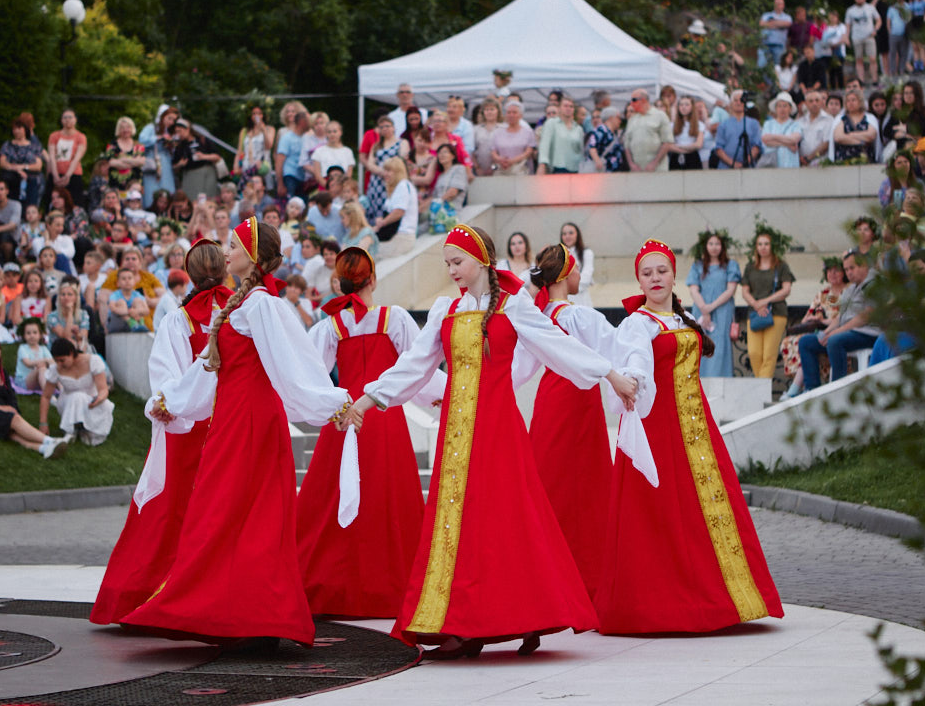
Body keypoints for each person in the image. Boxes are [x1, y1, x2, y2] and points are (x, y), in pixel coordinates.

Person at [344, 224, 637, 658]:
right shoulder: (446, 310)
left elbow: (559, 346)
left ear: (481, 260)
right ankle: (467, 623)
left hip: (498, 431)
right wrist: (367, 400)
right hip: (457, 434)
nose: (452, 271)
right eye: (446, 264)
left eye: (457, 262)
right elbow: (414, 366)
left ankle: (514, 619)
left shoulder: (514, 307)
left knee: (505, 522)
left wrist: (611, 375)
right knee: (463, 525)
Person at [122, 218, 350, 644]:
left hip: (253, 422)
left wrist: (332, 401)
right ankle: (230, 613)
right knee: (222, 515)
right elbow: (210, 373)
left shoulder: (263, 305)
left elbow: (292, 367)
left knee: (250, 518)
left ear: (254, 255)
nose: (225, 251)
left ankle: (261, 618)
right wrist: (172, 400)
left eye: (233, 244)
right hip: (231, 419)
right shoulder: (242, 306)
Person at [597, 239, 783, 633]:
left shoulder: (684, 319)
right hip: (659, 429)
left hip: (696, 426)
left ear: (673, 273)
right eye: (646, 273)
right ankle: (664, 604)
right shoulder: (636, 324)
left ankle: (718, 599)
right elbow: (632, 363)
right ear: (639, 279)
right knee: (660, 514)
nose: (655, 278)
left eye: (661, 271)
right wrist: (630, 382)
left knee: (704, 511)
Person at [90, 239, 233, 626]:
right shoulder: (243, 312)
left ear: (189, 273)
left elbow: (166, 380)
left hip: (188, 429)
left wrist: (169, 406)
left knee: (171, 512)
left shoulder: (178, 320)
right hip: (232, 425)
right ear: (224, 269)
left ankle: (152, 590)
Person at [299, 248, 439, 617]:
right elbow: (416, 367)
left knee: (332, 501)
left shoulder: (329, 326)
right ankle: (393, 589)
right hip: (383, 418)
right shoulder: (396, 318)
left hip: (345, 418)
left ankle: (331, 588)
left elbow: (311, 376)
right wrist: (438, 396)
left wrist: (331, 405)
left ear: (338, 283)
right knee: (387, 499)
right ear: (373, 279)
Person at [519, 244, 618, 599]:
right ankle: (587, 580)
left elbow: (519, 369)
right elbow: (615, 350)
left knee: (550, 485)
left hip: (549, 402)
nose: (579, 276)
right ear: (566, 275)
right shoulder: (580, 316)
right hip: (578, 402)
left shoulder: (540, 316)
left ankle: (547, 578)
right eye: (575, 269)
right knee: (586, 492)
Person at [0, 336, 67, 458]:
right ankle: (50, 441)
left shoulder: (1, 372)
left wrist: (12, 408)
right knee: (13, 421)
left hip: (2, 414)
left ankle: (43, 449)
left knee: (13, 433)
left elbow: (11, 396)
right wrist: (0, 408)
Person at [797, 250, 880, 391]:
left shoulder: (874, 283)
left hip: (868, 333)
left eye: (852, 268)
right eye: (846, 269)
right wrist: (827, 332)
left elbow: (866, 316)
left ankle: (837, 389)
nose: (849, 273)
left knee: (836, 341)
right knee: (806, 342)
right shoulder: (850, 289)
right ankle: (811, 390)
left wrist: (836, 333)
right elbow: (840, 317)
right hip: (848, 331)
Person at [779, 257, 847, 400]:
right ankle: (805, 386)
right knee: (791, 341)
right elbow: (807, 317)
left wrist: (824, 321)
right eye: (829, 271)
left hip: (841, 330)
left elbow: (842, 318)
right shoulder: (825, 294)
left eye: (836, 271)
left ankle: (797, 388)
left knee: (805, 342)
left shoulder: (848, 292)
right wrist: (815, 318)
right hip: (822, 331)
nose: (832, 274)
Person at [685, 231, 741, 377]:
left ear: (722, 246)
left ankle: (720, 378)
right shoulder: (697, 266)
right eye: (711, 243)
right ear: (705, 246)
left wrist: (710, 307)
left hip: (722, 310)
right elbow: (693, 289)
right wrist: (704, 308)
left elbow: (730, 290)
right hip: (700, 309)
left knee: (720, 344)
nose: (714, 247)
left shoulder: (730, 265)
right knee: (701, 342)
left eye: (717, 244)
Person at [740, 229, 795, 380]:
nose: (763, 247)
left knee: (769, 355)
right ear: (756, 247)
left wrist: (765, 301)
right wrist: (756, 304)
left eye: (766, 244)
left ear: (771, 246)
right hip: (755, 313)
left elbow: (786, 289)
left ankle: (760, 391)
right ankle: (761, 388)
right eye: (760, 244)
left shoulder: (781, 266)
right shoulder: (750, 267)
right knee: (754, 353)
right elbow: (745, 291)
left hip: (776, 312)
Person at [40, 337, 113, 446]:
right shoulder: (55, 369)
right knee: (77, 396)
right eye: (56, 361)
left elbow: (103, 389)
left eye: (62, 360)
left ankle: (85, 430)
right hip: (68, 402)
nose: (59, 364)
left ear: (71, 353)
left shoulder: (93, 361)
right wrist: (43, 423)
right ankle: (71, 431)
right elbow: (46, 396)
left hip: (90, 399)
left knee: (105, 405)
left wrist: (98, 399)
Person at [373, 157, 418, 258]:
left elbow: (399, 212)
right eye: (385, 170)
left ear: (398, 172)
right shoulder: (397, 188)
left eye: (389, 171)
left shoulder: (403, 185)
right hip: (395, 236)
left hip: (402, 237)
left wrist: (382, 223)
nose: (385, 174)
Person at [0, 115, 46, 207]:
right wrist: (17, 169)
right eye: (14, 129)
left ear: (25, 129)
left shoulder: (34, 146)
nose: (16, 131)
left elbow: (38, 166)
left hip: (31, 178)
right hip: (12, 178)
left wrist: (24, 167)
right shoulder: (7, 145)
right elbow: (2, 163)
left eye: (19, 128)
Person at [623, 89, 673, 172]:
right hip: (637, 171)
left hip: (657, 169)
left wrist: (654, 163)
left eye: (634, 100)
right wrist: (631, 164)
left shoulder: (660, 116)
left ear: (643, 100)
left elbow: (667, 142)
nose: (631, 103)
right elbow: (627, 145)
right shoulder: (632, 120)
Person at [48, 109, 88, 209]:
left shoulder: (80, 137)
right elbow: (52, 156)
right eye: (65, 117)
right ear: (61, 120)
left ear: (75, 120)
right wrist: (55, 175)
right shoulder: (54, 136)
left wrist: (67, 175)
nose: (67, 120)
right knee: (52, 201)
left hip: (74, 174)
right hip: (56, 173)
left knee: (75, 202)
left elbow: (77, 157)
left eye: (70, 117)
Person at [536, 96, 585, 174]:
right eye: (565, 106)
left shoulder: (578, 129)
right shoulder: (551, 123)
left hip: (575, 168)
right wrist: (542, 163)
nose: (568, 108)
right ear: (559, 108)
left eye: (571, 106)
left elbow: (581, 151)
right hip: (558, 167)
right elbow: (544, 144)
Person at [714, 90, 762, 168]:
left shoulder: (753, 123)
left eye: (741, 100)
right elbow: (719, 148)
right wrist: (733, 163)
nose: (738, 103)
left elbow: (756, 145)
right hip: (726, 168)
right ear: (731, 104)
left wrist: (746, 162)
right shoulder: (723, 125)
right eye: (735, 100)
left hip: (748, 168)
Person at [490, 100, 536, 176]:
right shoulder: (497, 132)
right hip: (501, 170)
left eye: (514, 112)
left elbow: (529, 151)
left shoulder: (528, 132)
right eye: (509, 112)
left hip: (521, 171)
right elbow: (493, 151)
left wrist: (512, 161)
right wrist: (500, 160)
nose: (511, 115)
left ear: (520, 115)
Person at [234, 105, 275, 183]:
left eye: (259, 113)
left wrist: (264, 131)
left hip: (262, 167)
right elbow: (240, 151)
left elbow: (268, 146)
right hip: (247, 166)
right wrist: (236, 166)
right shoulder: (245, 131)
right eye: (254, 113)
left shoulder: (270, 129)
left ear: (263, 115)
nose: (257, 116)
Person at [760, 92, 802, 168]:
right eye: (779, 106)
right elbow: (765, 140)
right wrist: (787, 144)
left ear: (790, 108)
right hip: (772, 164)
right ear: (775, 109)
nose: (782, 109)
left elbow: (794, 139)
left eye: (785, 106)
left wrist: (772, 137)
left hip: (790, 164)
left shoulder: (796, 124)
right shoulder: (768, 124)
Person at [560, 222, 594, 308]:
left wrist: (567, 287)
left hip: (581, 299)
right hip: (563, 300)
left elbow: (587, 276)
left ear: (577, 235)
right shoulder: (558, 254)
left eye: (571, 233)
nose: (567, 236)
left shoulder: (586, 253)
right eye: (564, 234)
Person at [14, 318, 52, 392]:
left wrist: (46, 363)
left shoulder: (43, 348)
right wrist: (44, 361)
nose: (32, 336)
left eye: (35, 333)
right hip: (24, 380)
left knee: (55, 370)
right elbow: (28, 363)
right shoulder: (23, 348)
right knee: (41, 368)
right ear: (24, 336)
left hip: (40, 378)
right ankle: (48, 395)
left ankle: (63, 390)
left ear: (40, 335)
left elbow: (52, 362)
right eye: (28, 333)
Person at [797, 91, 835, 166]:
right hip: (802, 164)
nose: (814, 103)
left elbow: (826, 144)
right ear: (806, 104)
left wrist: (808, 158)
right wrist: (801, 159)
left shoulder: (829, 120)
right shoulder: (800, 121)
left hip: (822, 164)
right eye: (811, 101)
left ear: (821, 103)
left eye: (817, 100)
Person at [758, 0, 792, 68]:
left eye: (780, 4)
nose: (779, 5)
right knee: (761, 66)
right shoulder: (766, 15)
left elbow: (787, 24)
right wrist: (779, 24)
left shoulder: (787, 17)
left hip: (779, 46)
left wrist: (770, 23)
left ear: (783, 5)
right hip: (765, 45)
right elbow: (761, 24)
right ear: (774, 5)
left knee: (779, 67)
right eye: (777, 4)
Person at [471, 98, 502, 176]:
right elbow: (471, 151)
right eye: (487, 110)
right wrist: (477, 168)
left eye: (492, 109)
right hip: (479, 171)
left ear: (498, 111)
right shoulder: (475, 129)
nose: (489, 112)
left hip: (499, 170)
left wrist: (493, 167)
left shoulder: (503, 128)